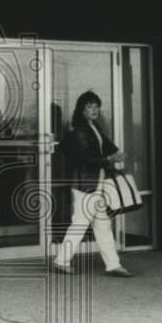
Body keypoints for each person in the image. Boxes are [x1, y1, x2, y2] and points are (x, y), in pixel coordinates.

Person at [52, 91, 133, 277]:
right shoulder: (82, 132)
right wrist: (110, 158)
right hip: (87, 183)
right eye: (89, 106)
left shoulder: (92, 128)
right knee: (83, 223)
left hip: (92, 182)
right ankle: (62, 260)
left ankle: (112, 264)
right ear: (82, 110)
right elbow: (86, 159)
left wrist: (113, 155)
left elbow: (107, 148)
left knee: (100, 224)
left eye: (96, 106)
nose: (94, 109)